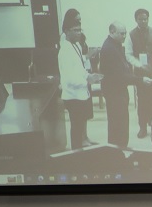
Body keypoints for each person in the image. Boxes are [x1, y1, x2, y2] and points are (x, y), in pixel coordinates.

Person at [57, 9, 98, 152]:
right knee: (76, 128)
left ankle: (79, 150)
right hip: (73, 96)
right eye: (75, 30)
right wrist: (86, 81)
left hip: (81, 93)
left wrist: (88, 76)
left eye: (80, 30)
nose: (79, 33)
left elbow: (79, 68)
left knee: (80, 125)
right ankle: (76, 154)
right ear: (67, 31)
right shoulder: (65, 51)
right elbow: (69, 79)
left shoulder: (76, 45)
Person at [126, 7, 152, 139]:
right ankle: (142, 128)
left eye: (145, 19)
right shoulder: (130, 35)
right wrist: (140, 65)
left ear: (148, 19)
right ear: (136, 20)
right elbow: (128, 55)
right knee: (142, 101)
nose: (143, 21)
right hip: (140, 74)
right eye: (140, 19)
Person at [98, 20, 134, 148]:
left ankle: (120, 146)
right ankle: (118, 147)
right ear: (112, 32)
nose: (124, 36)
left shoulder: (116, 44)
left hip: (117, 89)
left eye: (125, 33)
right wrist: (139, 80)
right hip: (114, 91)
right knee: (118, 122)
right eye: (121, 33)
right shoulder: (109, 49)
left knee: (121, 120)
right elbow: (120, 75)